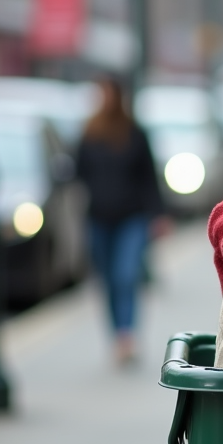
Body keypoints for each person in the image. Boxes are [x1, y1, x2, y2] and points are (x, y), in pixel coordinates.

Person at [76, 77, 166, 366]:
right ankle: (117, 333)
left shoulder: (134, 133)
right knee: (108, 281)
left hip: (132, 216)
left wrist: (159, 214)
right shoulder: (89, 133)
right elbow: (77, 172)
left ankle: (126, 335)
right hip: (99, 217)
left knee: (126, 275)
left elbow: (149, 177)